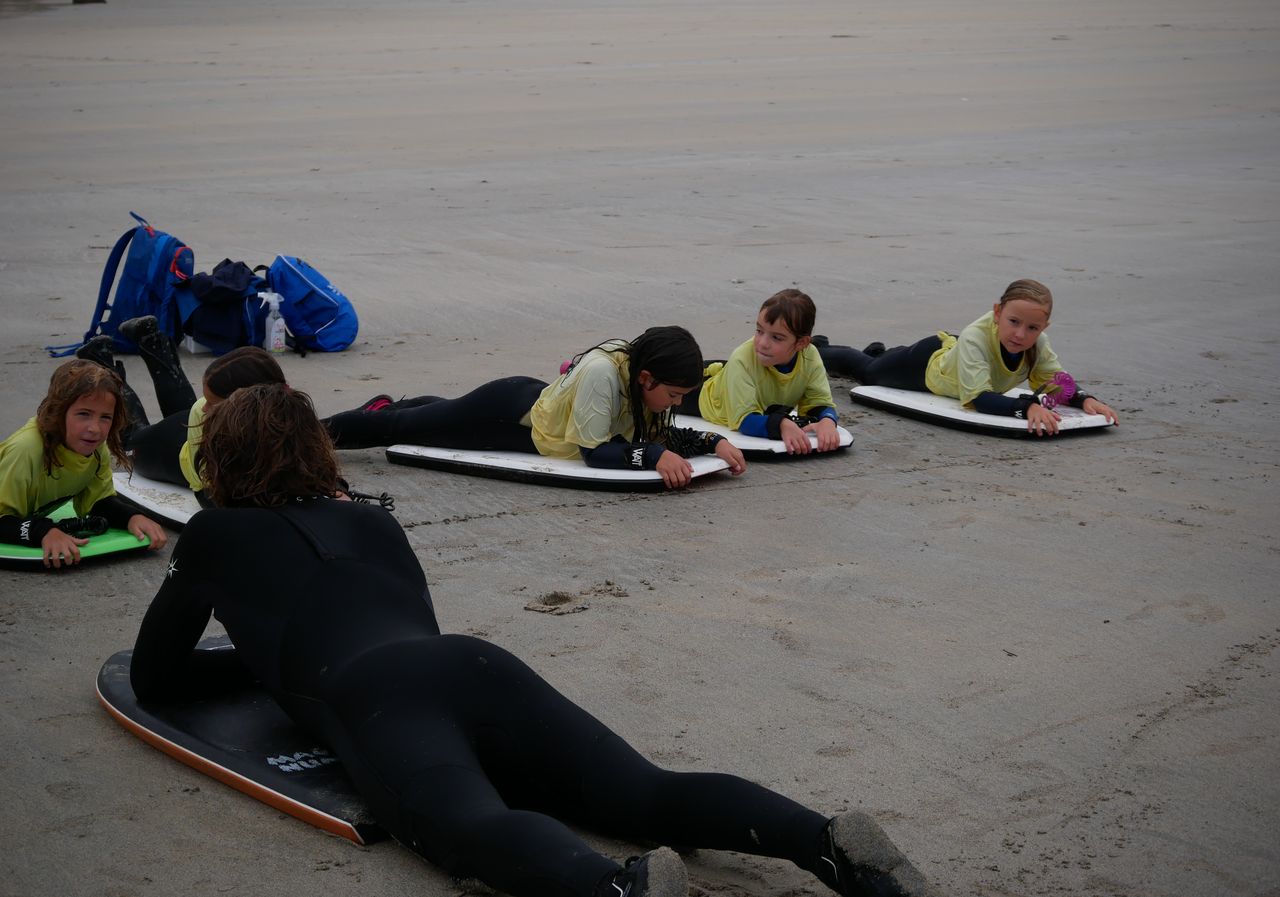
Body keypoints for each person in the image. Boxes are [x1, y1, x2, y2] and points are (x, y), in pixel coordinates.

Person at [129, 383, 937, 897]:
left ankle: (615, 888)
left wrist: (261, 663)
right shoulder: (374, 520)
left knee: (468, 826)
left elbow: (154, 677)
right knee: (644, 791)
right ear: (317, 450)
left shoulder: (214, 536)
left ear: (221, 461)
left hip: (375, 698)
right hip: (473, 664)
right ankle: (825, 841)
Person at [323, 325, 747, 489]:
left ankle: (389, 406)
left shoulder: (641, 372)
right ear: (646, 378)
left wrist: (713, 442)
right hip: (505, 412)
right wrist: (653, 455)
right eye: (673, 395)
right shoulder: (603, 373)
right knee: (401, 429)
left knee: (434, 420)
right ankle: (305, 433)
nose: (677, 404)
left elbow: (664, 434)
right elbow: (595, 452)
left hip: (533, 419)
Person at [816, 279, 1120, 437]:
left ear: (1044, 327)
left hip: (956, 357)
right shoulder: (976, 335)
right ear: (998, 312)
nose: (1020, 335)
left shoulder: (1037, 343)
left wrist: (1084, 399)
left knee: (879, 362)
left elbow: (1055, 382)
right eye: (1013, 322)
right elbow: (978, 399)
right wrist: (1026, 407)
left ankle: (880, 352)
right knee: (868, 372)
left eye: (1032, 328)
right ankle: (818, 348)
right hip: (926, 365)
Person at [75, 317, 287, 491]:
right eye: (207, 400)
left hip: (199, 427)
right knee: (132, 441)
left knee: (194, 411)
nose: (204, 406)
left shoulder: (286, 410)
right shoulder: (205, 412)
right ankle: (103, 364)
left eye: (212, 403)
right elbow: (208, 489)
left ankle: (150, 339)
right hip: (171, 447)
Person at [0, 360, 168, 568]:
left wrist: (131, 517)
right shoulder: (26, 450)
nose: (95, 429)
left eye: (105, 417)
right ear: (58, 411)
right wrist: (42, 531)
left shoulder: (94, 448)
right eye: (83, 414)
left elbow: (98, 502)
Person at [680, 289, 842, 455]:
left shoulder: (810, 357)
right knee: (668, 384)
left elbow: (818, 402)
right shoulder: (742, 360)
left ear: (801, 343)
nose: (763, 343)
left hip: (736, 375)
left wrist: (827, 421)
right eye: (759, 331)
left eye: (776, 337)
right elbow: (744, 420)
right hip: (703, 392)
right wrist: (781, 425)